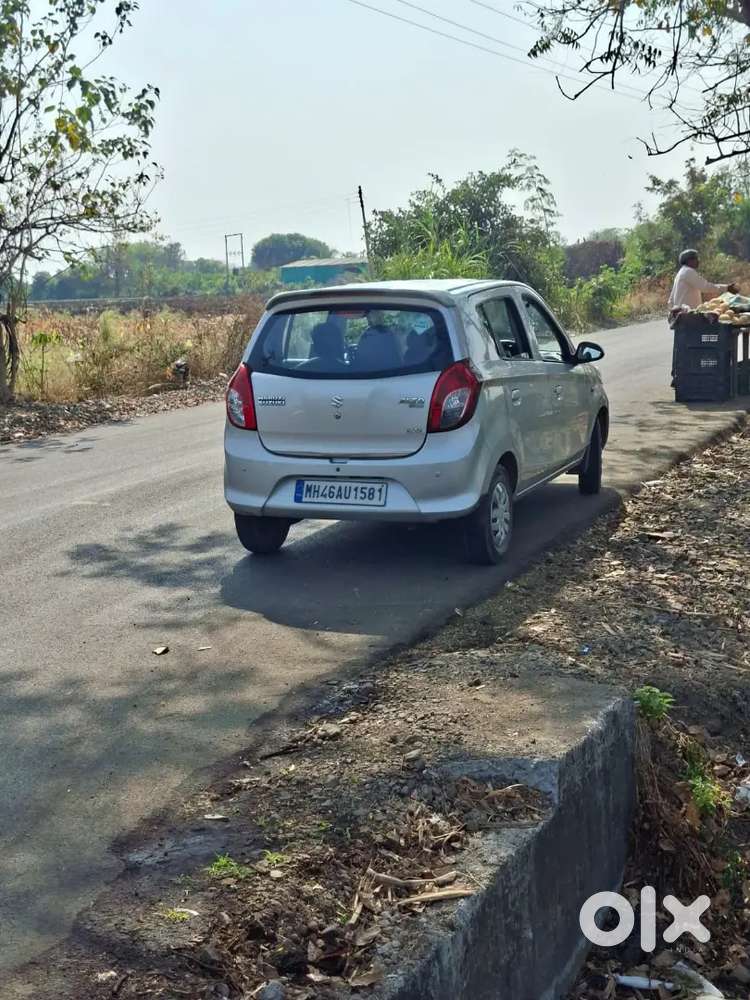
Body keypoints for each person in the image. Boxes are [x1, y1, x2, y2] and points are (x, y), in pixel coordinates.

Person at [667, 249, 740, 385]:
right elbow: (705, 286)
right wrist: (726, 288)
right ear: (689, 260)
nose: (698, 261)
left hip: (682, 315)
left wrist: (673, 310)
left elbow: (671, 299)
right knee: (688, 346)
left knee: (681, 346)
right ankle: (682, 376)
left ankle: (677, 376)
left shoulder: (681, 272)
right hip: (689, 316)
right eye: (696, 258)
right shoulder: (688, 272)